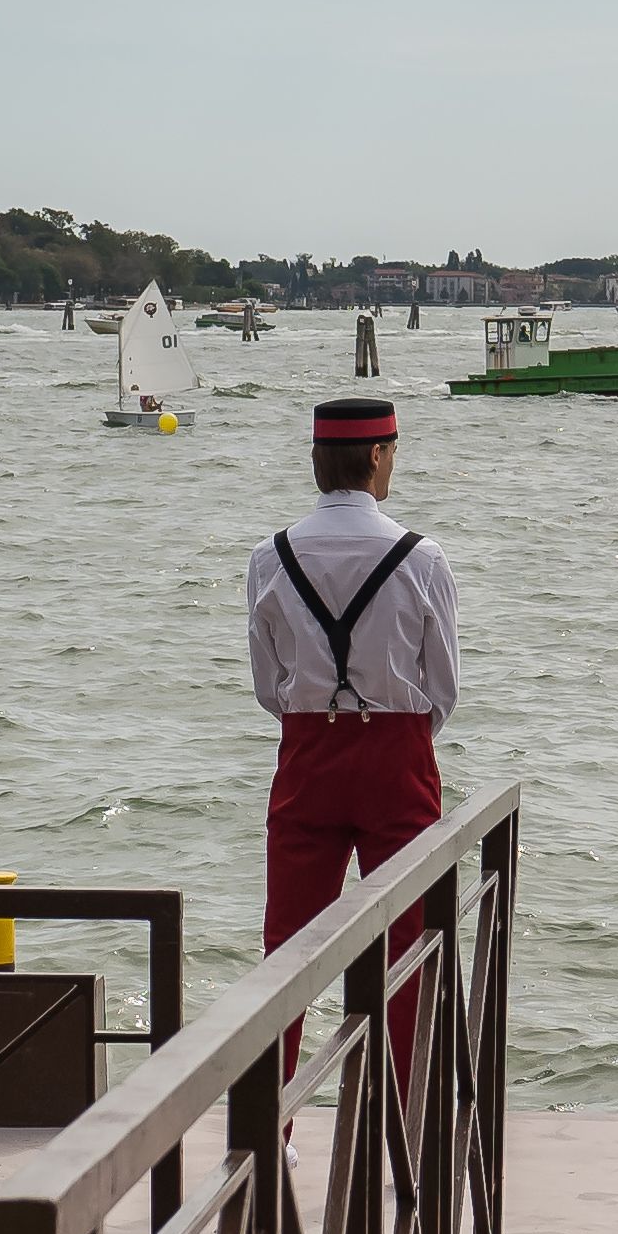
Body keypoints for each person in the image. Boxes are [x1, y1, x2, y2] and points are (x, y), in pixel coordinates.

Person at [249, 392, 462, 957]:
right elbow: (443, 690)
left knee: (287, 946)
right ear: (376, 455)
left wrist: (320, 715)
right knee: (408, 942)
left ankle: (276, 1047)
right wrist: (393, 728)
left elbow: (268, 686)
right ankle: (400, 1048)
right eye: (392, 451)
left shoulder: (270, 557)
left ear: (317, 460)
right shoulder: (422, 557)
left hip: (307, 756)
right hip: (397, 760)